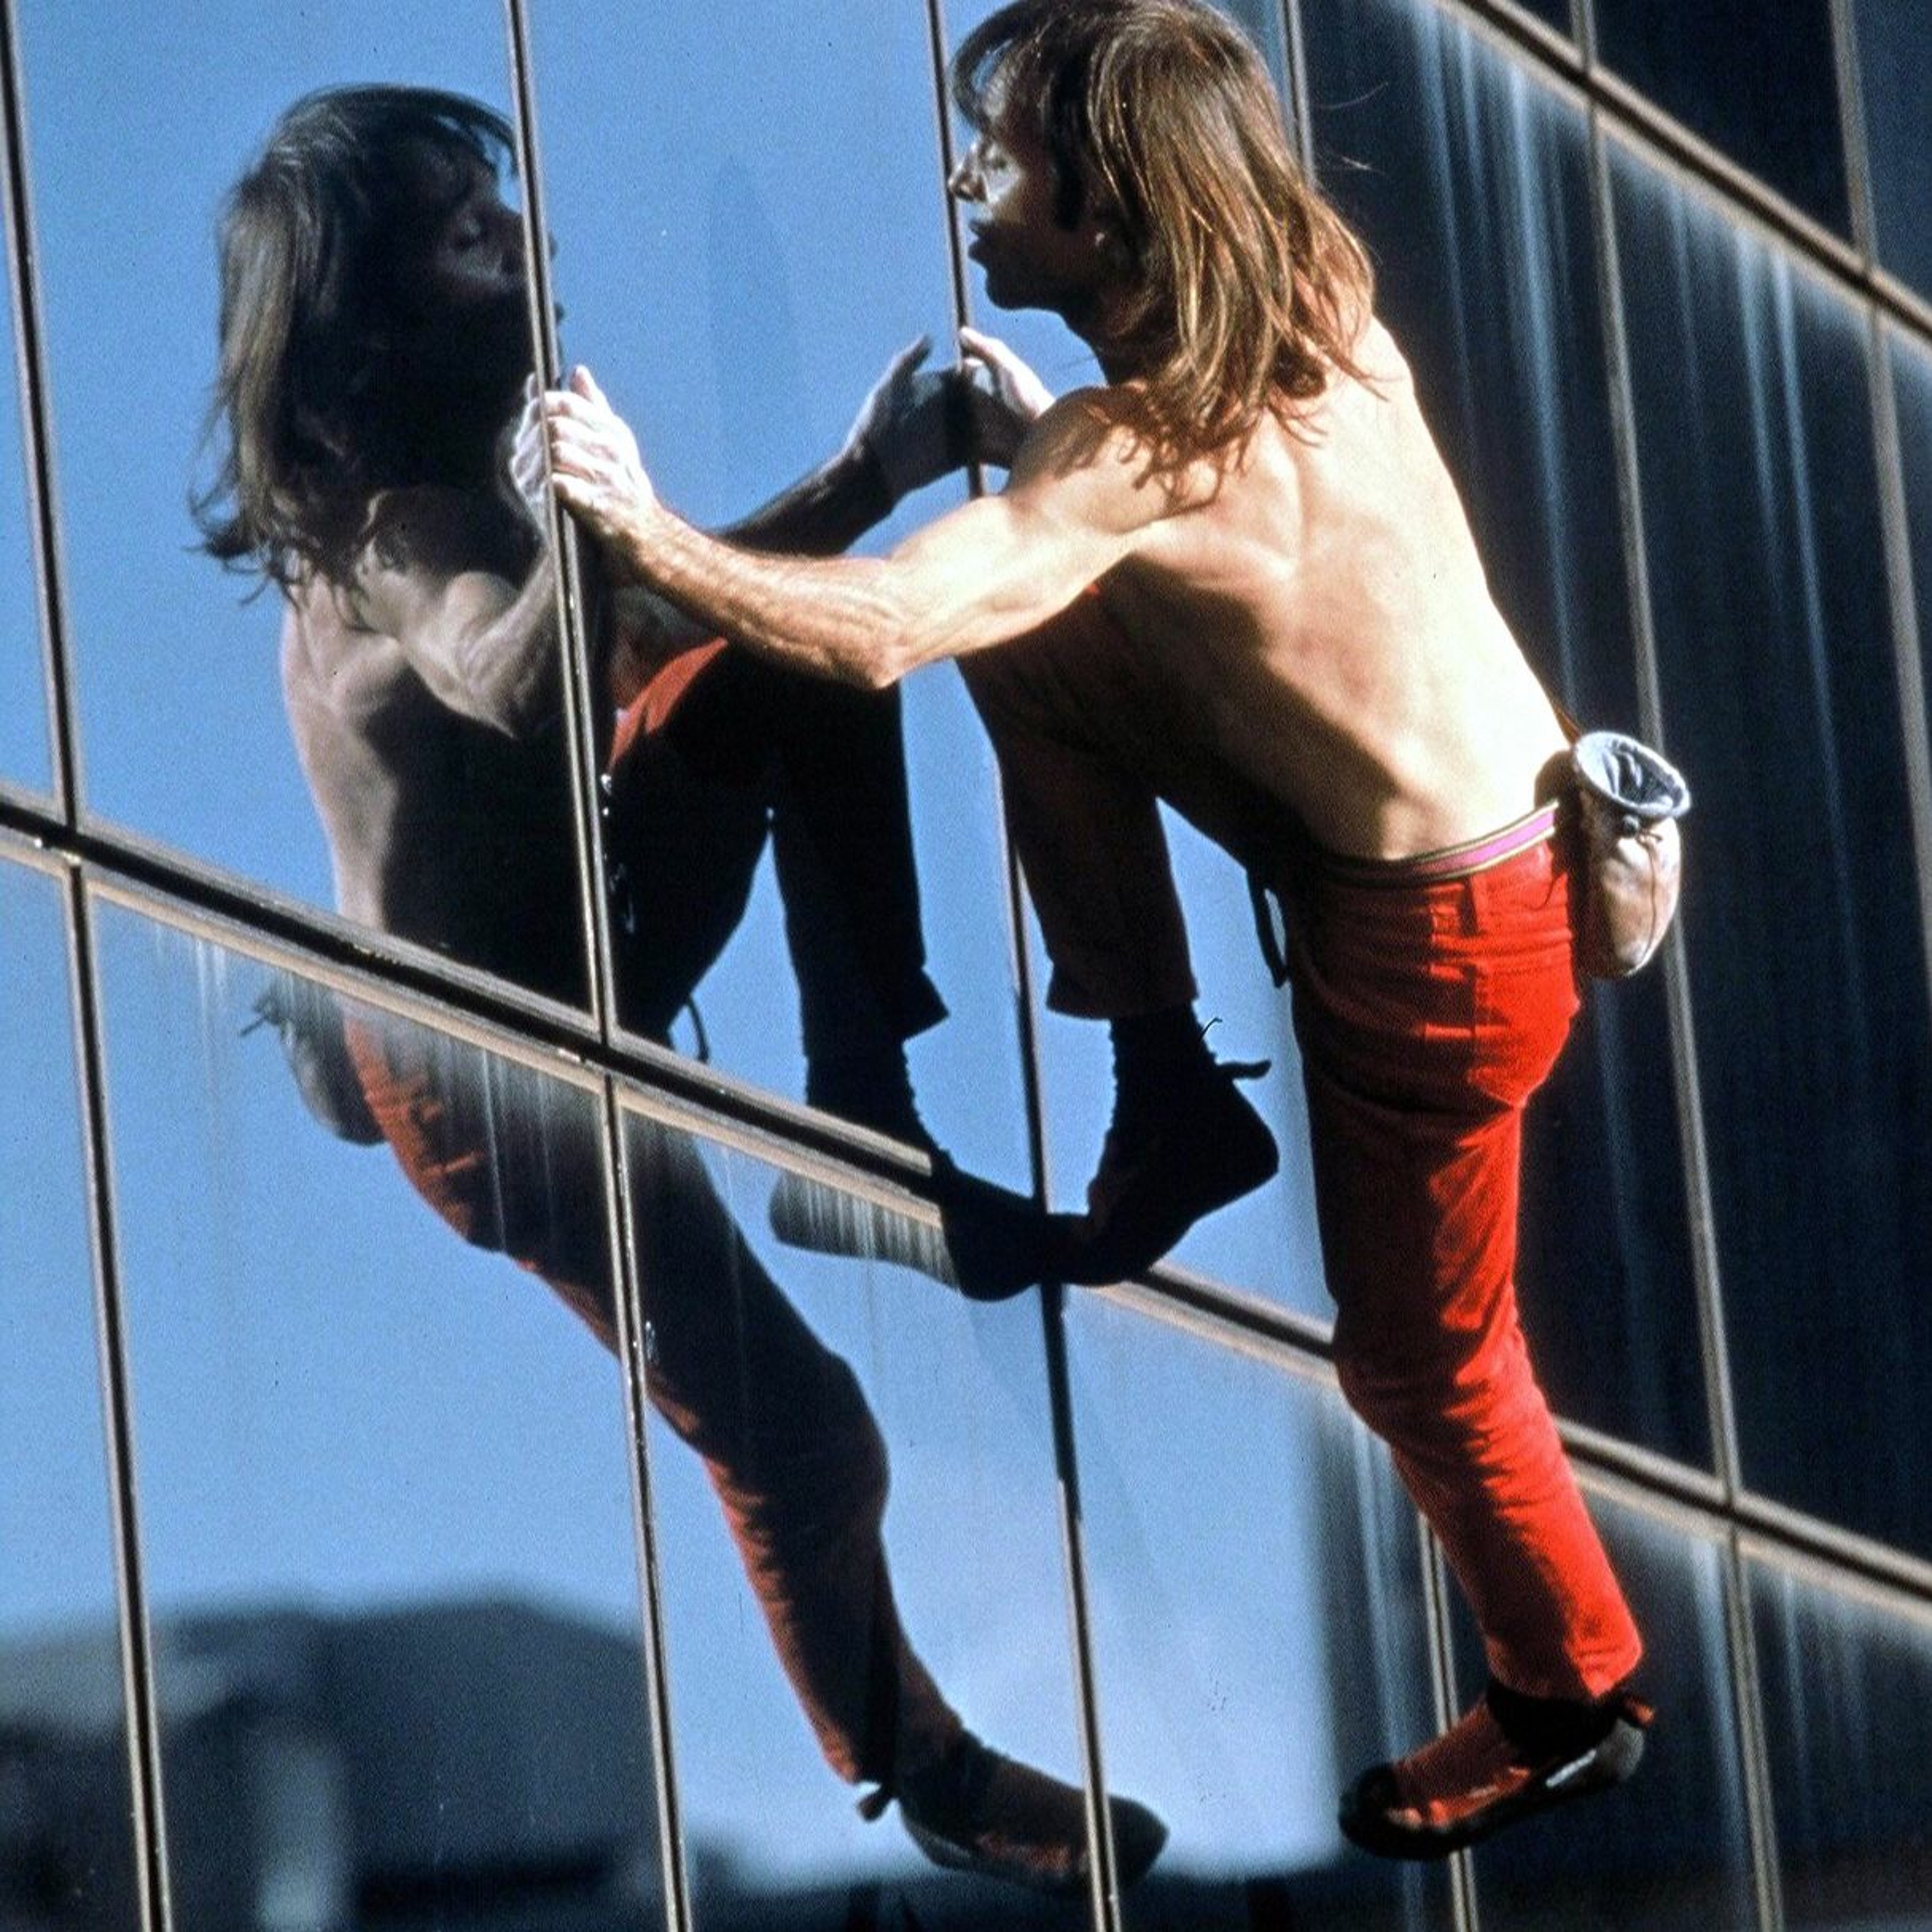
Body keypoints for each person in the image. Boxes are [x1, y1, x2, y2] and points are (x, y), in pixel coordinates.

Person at [538, 0, 1656, 1861]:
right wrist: (1037, 428)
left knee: (1426, 1366)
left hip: (1448, 956)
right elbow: (1134, 494)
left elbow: (889, 631)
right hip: (1470, 866)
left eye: (1008, 161)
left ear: (1116, 210)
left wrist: (644, 525)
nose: (967, 179)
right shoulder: (1314, 307)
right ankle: (1164, 1084)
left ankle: (1576, 1692)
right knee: (1040, 626)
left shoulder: (1140, 470)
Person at [198, 82, 1166, 1895]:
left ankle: (856, 1119)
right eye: (457, 223)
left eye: (502, 207)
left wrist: (860, 485)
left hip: (591, 969)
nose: (514, 239)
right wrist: (587, 511)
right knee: (799, 1434)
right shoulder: (386, 537)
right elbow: (515, 680)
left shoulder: (469, 503)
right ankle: (918, 1761)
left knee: (795, 664)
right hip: (491, 1086)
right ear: (366, 307)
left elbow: (670, 608)